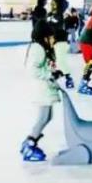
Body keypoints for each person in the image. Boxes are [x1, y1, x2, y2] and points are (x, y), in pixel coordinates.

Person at [20, 25, 62, 161]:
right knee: (44, 117)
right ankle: (29, 144)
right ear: (44, 38)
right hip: (42, 89)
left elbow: (45, 67)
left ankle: (30, 142)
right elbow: (33, 70)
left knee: (48, 117)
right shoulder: (38, 49)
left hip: (45, 88)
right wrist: (50, 75)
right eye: (51, 37)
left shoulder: (43, 48)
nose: (54, 40)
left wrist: (54, 73)